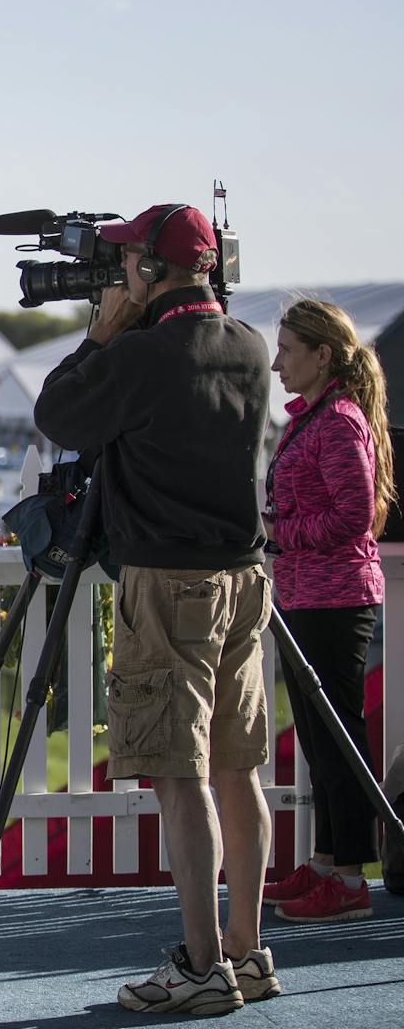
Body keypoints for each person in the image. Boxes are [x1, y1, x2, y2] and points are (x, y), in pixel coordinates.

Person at [34, 203, 278, 1014]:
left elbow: (59, 415)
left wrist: (103, 332)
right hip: (244, 578)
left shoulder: (139, 356)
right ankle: (246, 952)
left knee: (182, 779)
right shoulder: (249, 346)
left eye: (125, 265)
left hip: (166, 583)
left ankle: (201, 968)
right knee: (241, 771)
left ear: (144, 269)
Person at [261, 298, 393, 923]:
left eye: (287, 350)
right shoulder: (311, 419)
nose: (277, 362)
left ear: (322, 355)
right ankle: (325, 861)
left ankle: (350, 877)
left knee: (341, 739)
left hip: (335, 597)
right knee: (319, 739)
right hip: (305, 594)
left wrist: (285, 533)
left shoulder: (337, 421)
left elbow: (354, 514)